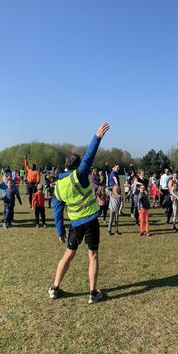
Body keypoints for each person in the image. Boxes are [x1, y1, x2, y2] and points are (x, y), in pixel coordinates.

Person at [50, 122, 110, 304]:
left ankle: (54, 288)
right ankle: (92, 293)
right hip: (91, 221)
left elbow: (57, 210)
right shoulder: (80, 174)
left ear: (65, 166)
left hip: (75, 225)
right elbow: (89, 157)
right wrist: (97, 137)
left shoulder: (58, 186)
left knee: (68, 255)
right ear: (76, 167)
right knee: (93, 255)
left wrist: (60, 231)